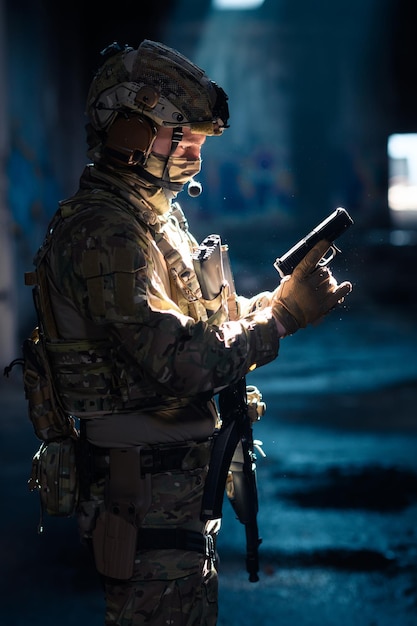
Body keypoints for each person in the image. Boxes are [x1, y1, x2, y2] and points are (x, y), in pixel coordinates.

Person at [30, 39, 352, 625]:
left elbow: (202, 327)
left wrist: (276, 302)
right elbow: (180, 361)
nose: (196, 154)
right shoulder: (105, 235)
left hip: (173, 492)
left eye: (200, 140)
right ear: (126, 131)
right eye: (182, 137)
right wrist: (283, 319)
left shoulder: (151, 221)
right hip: (142, 495)